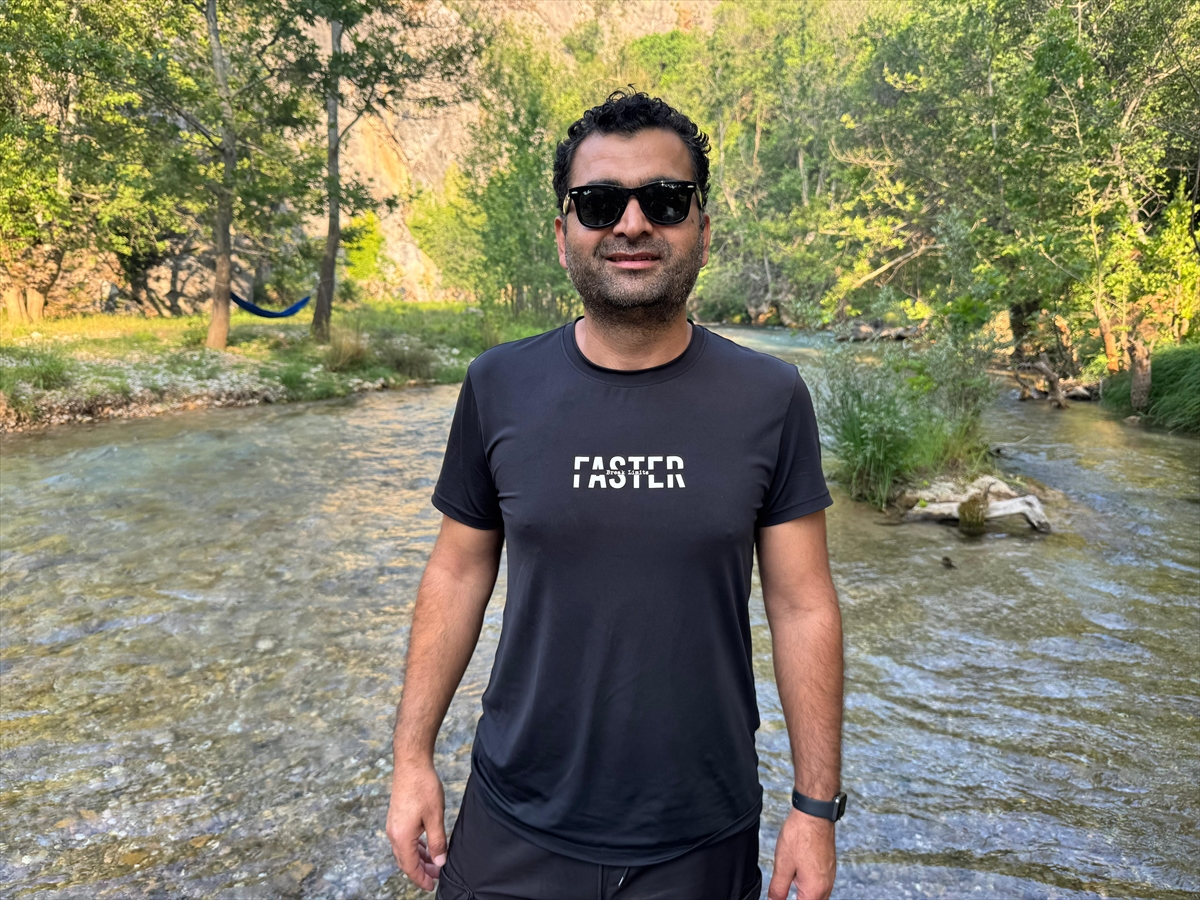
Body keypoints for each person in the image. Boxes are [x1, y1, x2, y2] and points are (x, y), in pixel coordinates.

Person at [386, 90, 844, 900]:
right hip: (514, 821)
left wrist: (815, 809)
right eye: (600, 203)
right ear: (564, 233)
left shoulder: (770, 396)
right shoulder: (498, 384)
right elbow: (456, 573)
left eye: (664, 200)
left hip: (700, 834)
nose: (632, 224)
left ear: (702, 228)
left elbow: (803, 605)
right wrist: (411, 758)